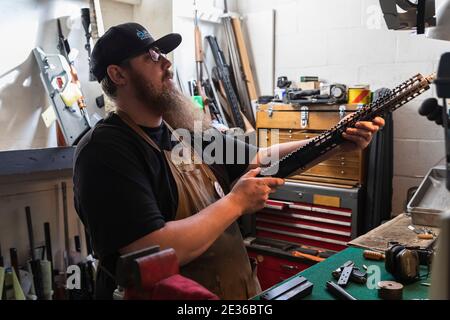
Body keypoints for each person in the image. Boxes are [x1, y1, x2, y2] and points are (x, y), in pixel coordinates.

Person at [73, 22, 385, 300]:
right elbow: (150, 249)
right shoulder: (104, 151)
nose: (166, 63)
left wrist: (334, 142)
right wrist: (235, 203)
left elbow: (258, 160)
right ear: (117, 74)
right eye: (151, 56)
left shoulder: (182, 128)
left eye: (163, 53)